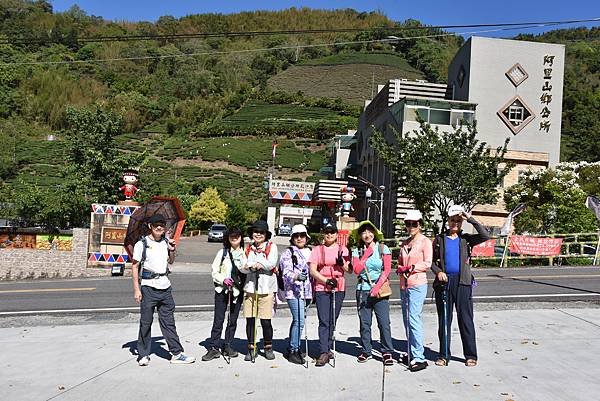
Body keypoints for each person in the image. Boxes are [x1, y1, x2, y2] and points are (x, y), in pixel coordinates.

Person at [131, 214, 195, 366]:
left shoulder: (166, 242)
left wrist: (172, 249)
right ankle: (143, 354)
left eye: (162, 224)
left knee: (169, 322)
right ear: (150, 226)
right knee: (146, 322)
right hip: (148, 287)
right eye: (155, 225)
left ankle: (177, 353)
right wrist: (136, 289)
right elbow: (134, 266)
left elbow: (171, 261)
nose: (159, 227)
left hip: (165, 286)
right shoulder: (142, 244)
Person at [432, 205, 490, 367]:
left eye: (458, 221)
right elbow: (430, 260)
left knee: (465, 319)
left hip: (463, 282)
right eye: (452, 220)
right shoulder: (439, 240)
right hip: (444, 283)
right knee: (444, 320)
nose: (455, 223)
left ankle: (471, 355)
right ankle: (444, 355)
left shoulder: (466, 239)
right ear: (448, 221)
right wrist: (438, 271)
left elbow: (486, 235)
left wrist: (469, 218)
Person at [350, 220, 394, 365]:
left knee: (384, 322)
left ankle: (387, 351)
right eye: (363, 232)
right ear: (360, 236)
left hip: (380, 290)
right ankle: (366, 350)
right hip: (363, 290)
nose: (367, 235)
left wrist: (376, 287)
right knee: (365, 323)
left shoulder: (383, 248)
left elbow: (387, 270)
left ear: (374, 233)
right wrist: (366, 255)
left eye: (369, 231)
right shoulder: (357, 250)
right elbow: (356, 269)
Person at [308, 222, 351, 367]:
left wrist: (342, 263)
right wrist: (326, 280)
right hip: (322, 285)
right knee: (324, 319)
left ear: (336, 234)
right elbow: (313, 270)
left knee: (333, 318)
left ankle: (328, 345)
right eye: (326, 231)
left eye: (332, 232)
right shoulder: (317, 250)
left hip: (339, 286)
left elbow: (349, 270)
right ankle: (323, 351)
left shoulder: (342, 249)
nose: (329, 234)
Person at [202, 227, 247, 361]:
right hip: (222, 290)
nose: (234, 238)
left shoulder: (245, 253)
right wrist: (223, 279)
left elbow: (246, 270)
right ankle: (214, 347)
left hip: (237, 291)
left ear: (241, 237)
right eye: (231, 236)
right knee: (219, 319)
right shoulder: (222, 253)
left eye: (237, 236)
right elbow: (214, 271)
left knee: (232, 320)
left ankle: (228, 345)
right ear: (227, 238)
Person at [397, 210, 432, 372]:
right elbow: (399, 262)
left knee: (414, 318)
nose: (410, 227)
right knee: (406, 319)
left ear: (420, 225)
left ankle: (419, 356)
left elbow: (428, 263)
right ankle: (411, 351)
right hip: (404, 284)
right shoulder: (404, 243)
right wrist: (400, 269)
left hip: (418, 284)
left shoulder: (425, 242)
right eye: (408, 224)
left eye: (414, 224)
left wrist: (412, 267)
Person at [239, 220, 279, 361]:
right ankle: (251, 347)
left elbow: (271, 263)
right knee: (250, 320)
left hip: (266, 289)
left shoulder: (272, 247)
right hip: (250, 288)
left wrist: (257, 264)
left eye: (261, 232)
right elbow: (242, 266)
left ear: (266, 234)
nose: (258, 234)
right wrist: (251, 267)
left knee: (265, 321)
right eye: (256, 231)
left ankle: (268, 346)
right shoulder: (248, 248)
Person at [279, 224, 312, 365]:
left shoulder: (310, 251)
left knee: (299, 320)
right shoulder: (288, 252)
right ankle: (293, 350)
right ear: (292, 238)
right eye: (296, 236)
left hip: (308, 292)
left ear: (306, 237)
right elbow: (285, 272)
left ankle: (295, 345)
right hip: (294, 292)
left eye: (302, 235)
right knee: (299, 320)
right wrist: (297, 276)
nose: (299, 238)